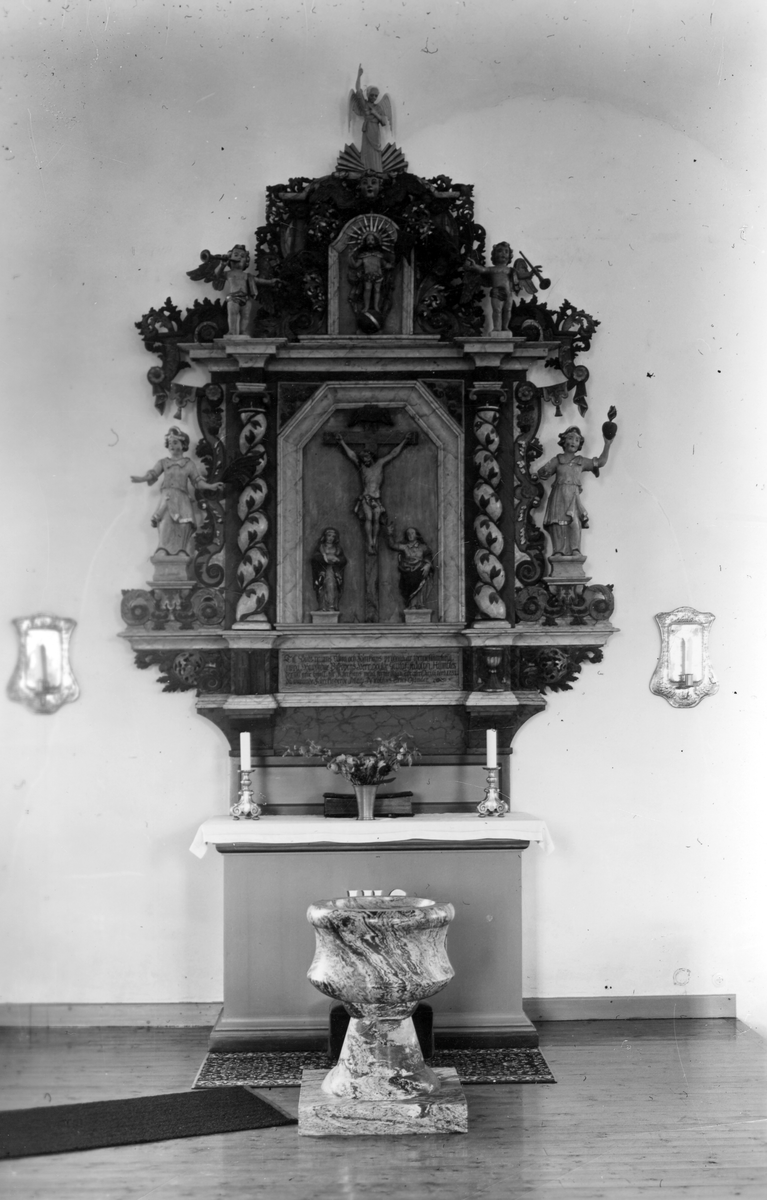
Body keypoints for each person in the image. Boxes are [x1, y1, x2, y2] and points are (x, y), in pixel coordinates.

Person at [131, 427, 221, 555]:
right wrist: (142, 479)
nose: (171, 445)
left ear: (183, 444)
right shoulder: (163, 462)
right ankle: (162, 549)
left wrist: (210, 486)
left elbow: (197, 481)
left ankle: (181, 550)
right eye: (169, 443)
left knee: (184, 523)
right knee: (165, 522)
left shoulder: (188, 464)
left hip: (182, 498)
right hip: (167, 497)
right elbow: (153, 474)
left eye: (175, 442)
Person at [532, 421, 615, 557]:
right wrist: (536, 475)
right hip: (558, 494)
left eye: (577, 440)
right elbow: (542, 472)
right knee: (557, 522)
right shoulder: (558, 459)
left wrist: (607, 444)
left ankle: (575, 549)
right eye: (570, 438)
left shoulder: (581, 461)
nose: (573, 442)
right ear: (564, 441)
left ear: (579, 444)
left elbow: (600, 462)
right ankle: (558, 551)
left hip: (573, 496)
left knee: (574, 522)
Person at [334, 434, 414, 554]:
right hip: (366, 497)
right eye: (363, 459)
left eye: (366, 457)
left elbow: (393, 453)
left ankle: (374, 541)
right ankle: (370, 541)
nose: (365, 460)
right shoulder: (362, 467)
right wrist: (341, 442)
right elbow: (352, 455)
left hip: (376, 498)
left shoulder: (380, 463)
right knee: (369, 518)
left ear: (371, 456)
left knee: (376, 520)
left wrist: (405, 441)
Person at [386, 525, 434, 609]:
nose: (410, 535)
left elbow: (429, 556)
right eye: (408, 533)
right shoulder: (405, 546)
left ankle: (417, 605)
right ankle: (411, 606)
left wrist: (428, 565)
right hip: (407, 573)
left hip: (419, 572)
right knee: (408, 589)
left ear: (416, 535)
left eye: (412, 533)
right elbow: (392, 545)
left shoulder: (423, 547)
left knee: (419, 588)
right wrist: (389, 534)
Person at [311, 528, 347, 611]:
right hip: (322, 570)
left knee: (332, 586)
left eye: (333, 536)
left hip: (334, 571)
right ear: (325, 536)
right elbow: (314, 558)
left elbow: (343, 560)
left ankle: (331, 606)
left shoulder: (338, 548)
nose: (331, 538)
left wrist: (337, 559)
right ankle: (322, 606)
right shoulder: (321, 547)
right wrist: (325, 558)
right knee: (322, 587)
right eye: (329, 535)